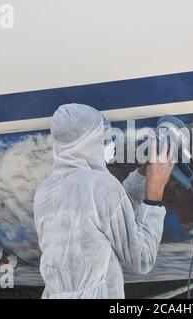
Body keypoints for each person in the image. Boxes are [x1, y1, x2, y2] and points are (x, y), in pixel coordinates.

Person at [34, 103, 174, 299]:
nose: (108, 143)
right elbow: (142, 259)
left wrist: (144, 173)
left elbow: (110, 214)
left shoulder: (44, 192)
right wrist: (155, 191)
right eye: (104, 137)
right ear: (89, 142)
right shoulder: (100, 185)